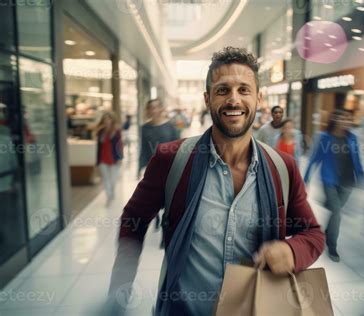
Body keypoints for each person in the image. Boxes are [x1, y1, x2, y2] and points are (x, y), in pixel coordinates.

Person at [108, 47, 325, 316]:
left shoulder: (283, 167)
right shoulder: (172, 160)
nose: (233, 100)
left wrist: (292, 251)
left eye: (244, 90)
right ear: (207, 98)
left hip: (256, 308)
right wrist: (120, 287)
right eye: (223, 90)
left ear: (258, 98)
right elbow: (133, 220)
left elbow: (314, 234)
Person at [304, 109, 364, 262]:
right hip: (329, 180)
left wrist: (361, 174)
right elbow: (314, 158)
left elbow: (356, 158)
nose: (344, 121)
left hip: (347, 181)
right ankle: (332, 246)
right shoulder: (324, 137)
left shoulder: (352, 137)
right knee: (337, 212)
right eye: (341, 118)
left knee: (335, 212)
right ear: (334, 120)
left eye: (347, 119)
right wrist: (306, 179)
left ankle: (329, 229)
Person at [138, 98, 180, 178]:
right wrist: (140, 168)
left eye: (155, 107)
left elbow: (179, 147)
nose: (153, 111)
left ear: (161, 109)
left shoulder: (171, 126)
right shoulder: (144, 128)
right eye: (150, 108)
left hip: (169, 167)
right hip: (152, 168)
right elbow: (143, 149)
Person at [96, 111, 123, 206]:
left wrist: (120, 157)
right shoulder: (100, 132)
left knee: (113, 179)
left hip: (114, 159)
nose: (107, 121)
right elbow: (98, 147)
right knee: (105, 179)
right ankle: (109, 197)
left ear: (112, 120)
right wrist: (97, 162)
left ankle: (112, 192)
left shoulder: (117, 131)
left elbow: (120, 145)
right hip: (102, 159)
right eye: (105, 119)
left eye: (109, 119)